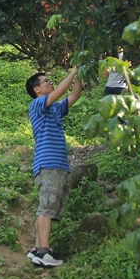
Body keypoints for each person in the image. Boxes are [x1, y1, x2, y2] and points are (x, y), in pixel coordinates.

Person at [25, 66, 82, 268]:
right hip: (48, 164)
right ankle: (43, 251)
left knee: (47, 208)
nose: (49, 82)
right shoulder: (38, 104)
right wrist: (73, 71)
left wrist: (81, 75)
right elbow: (59, 92)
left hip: (58, 165)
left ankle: (38, 249)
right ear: (37, 90)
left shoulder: (54, 108)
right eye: (45, 81)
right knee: (46, 208)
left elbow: (74, 95)